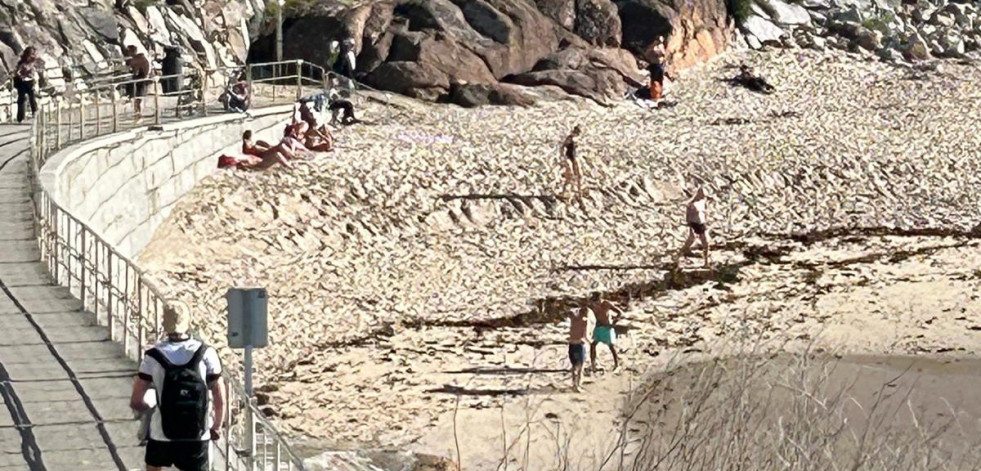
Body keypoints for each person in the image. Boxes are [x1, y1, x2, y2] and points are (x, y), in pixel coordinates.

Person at [130, 302, 225, 471]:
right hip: (197, 432)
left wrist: (147, 414)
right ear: (188, 323)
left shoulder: (153, 356)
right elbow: (220, 398)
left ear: (164, 324)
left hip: (162, 432)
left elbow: (136, 400)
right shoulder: (206, 353)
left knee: (153, 466)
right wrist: (216, 426)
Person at [673, 187, 711, 268]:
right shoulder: (691, 204)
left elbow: (705, 212)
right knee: (690, 240)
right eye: (702, 194)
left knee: (706, 243)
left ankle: (706, 262)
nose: (703, 196)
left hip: (702, 223)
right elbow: (688, 217)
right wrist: (690, 228)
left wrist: (706, 221)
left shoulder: (703, 202)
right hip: (694, 223)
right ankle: (677, 257)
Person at [587, 293, 622, 373]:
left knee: (611, 346)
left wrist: (614, 321)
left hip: (606, 327)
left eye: (597, 301)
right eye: (594, 302)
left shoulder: (606, 304)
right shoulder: (592, 306)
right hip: (598, 327)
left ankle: (616, 363)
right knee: (593, 345)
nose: (596, 304)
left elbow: (619, 312)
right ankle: (593, 364)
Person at [14, 47, 43, 123]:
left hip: (29, 81)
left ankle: (34, 114)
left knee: (31, 98)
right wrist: (22, 75)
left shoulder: (33, 61)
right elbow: (17, 72)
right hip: (23, 81)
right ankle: (21, 117)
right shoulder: (22, 63)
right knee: (22, 99)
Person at [125, 45, 152, 122]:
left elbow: (134, 70)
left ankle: (139, 115)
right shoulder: (141, 58)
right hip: (142, 79)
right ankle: (138, 114)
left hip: (142, 80)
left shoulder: (137, 59)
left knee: (138, 98)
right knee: (138, 98)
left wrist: (131, 69)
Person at [558, 125, 584, 201]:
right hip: (569, 157)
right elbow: (563, 147)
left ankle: (579, 193)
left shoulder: (576, 139)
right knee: (570, 175)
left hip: (575, 157)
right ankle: (563, 192)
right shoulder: (569, 138)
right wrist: (563, 157)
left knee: (579, 175)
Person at [568, 306, 589, 393]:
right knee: (580, 366)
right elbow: (585, 335)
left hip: (571, 343)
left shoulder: (573, 319)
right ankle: (578, 385)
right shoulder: (584, 322)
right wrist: (589, 341)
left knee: (574, 365)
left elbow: (570, 312)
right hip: (579, 344)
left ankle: (573, 383)